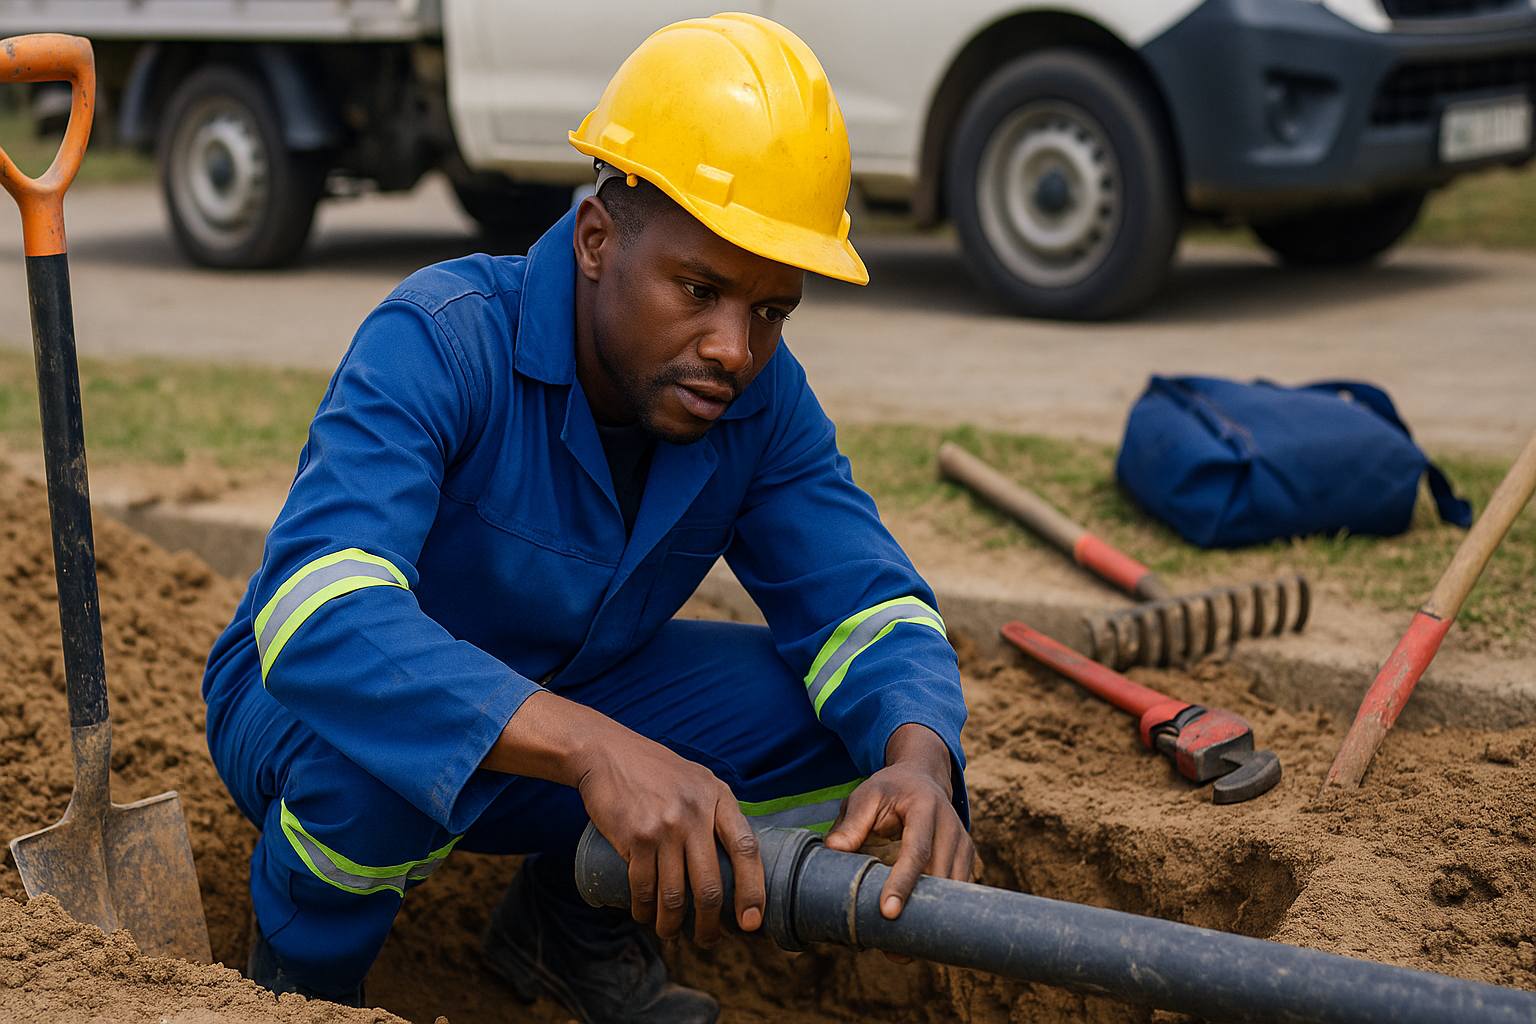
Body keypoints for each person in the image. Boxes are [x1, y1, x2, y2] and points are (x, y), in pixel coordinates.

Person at [202, 14, 971, 1023]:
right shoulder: (440, 338)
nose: (734, 348)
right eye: (700, 289)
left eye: (771, 310)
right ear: (598, 237)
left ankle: (564, 928)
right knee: (378, 769)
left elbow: (866, 604)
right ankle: (307, 979)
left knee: (848, 737)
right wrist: (593, 750)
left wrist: (918, 759)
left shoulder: (758, 399)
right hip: (313, 704)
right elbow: (321, 618)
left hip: (573, 694)